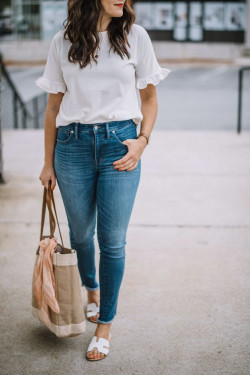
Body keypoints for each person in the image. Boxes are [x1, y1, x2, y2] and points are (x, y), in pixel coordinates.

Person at [36, 0, 170, 361]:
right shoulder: (63, 40)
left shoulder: (134, 36)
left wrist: (143, 141)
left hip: (120, 145)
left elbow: (150, 97)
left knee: (112, 242)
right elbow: (52, 108)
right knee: (80, 235)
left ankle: (105, 324)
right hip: (72, 147)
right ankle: (91, 289)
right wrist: (46, 163)